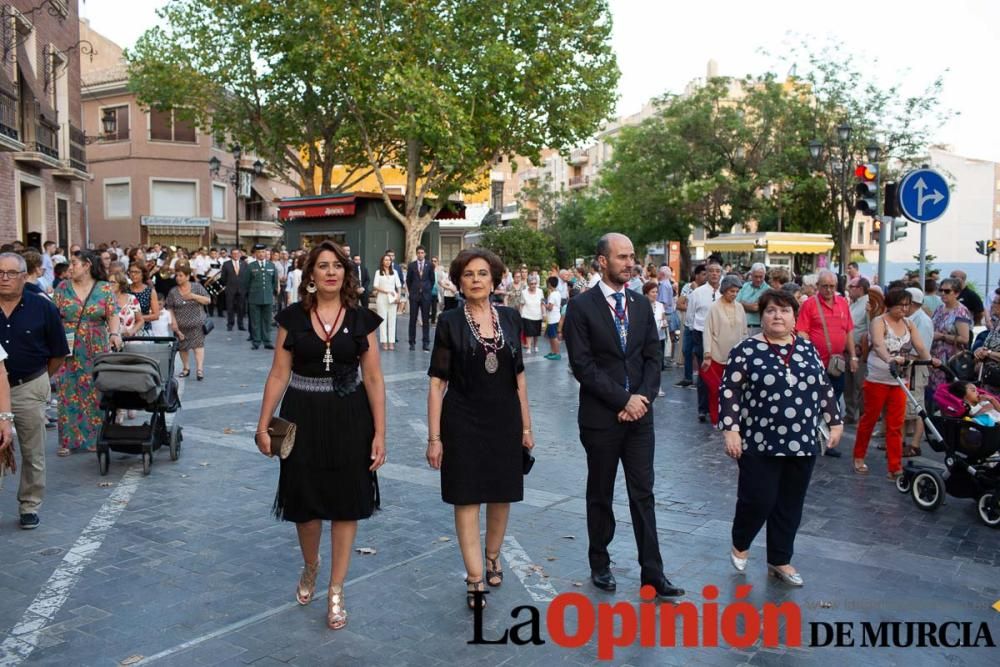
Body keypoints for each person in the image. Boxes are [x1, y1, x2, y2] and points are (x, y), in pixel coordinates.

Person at [254, 241, 385, 631]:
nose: (331, 272)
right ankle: (311, 565)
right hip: (302, 417)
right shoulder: (291, 319)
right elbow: (279, 374)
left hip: (350, 418)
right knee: (306, 506)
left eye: (337, 266)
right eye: (322, 266)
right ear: (310, 275)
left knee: (346, 504)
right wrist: (263, 424)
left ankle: (337, 588)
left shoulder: (363, 320)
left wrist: (381, 432)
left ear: (346, 273)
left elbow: (375, 378)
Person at [563, 233, 684, 601]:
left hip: (640, 418)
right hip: (601, 417)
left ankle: (653, 572)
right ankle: (600, 562)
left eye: (632, 256)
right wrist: (623, 399)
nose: (630, 263)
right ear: (602, 261)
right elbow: (583, 366)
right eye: (622, 257)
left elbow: (653, 356)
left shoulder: (640, 304)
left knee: (643, 493)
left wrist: (642, 399)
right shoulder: (581, 307)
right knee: (600, 491)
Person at [425, 247, 534, 610]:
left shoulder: (511, 318)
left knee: (501, 494)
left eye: (482, 273)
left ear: (494, 279)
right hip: (462, 421)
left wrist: (526, 427)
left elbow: (519, 377)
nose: (476, 280)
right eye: (468, 274)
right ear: (459, 281)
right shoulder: (450, 322)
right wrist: (435, 437)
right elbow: (437, 382)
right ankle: (474, 578)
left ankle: (492, 556)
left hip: (505, 420)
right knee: (467, 497)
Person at [721, 289, 844, 586]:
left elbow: (824, 386)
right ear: (761, 316)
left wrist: (835, 421)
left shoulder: (807, 348)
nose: (778, 316)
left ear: (794, 317)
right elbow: (729, 391)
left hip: (801, 440)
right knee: (758, 499)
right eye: (772, 310)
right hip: (758, 440)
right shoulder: (745, 350)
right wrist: (731, 429)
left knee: (790, 503)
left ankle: (780, 560)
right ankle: (741, 540)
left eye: (785, 310)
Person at [0, 253, 69, 529]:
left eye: (10, 273)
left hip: (29, 385)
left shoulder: (42, 307)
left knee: (33, 450)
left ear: (23, 275)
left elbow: (59, 353)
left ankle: (29, 504)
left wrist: (41, 380)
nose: (4, 278)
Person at [853, 289, 938, 479]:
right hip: (878, 379)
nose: (904, 309)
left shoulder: (909, 324)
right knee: (870, 419)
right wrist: (889, 358)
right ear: (891, 305)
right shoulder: (879, 321)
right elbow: (878, 344)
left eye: (907, 305)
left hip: (899, 381)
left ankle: (894, 466)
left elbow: (921, 346)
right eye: (901, 305)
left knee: (895, 424)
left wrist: (931, 360)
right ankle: (859, 456)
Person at [52, 251, 122, 456]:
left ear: (87, 265)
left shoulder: (104, 288)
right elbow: (53, 316)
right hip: (68, 345)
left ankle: (94, 438)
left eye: (74, 263)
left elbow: (113, 314)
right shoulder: (62, 288)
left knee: (94, 390)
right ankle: (67, 440)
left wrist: (115, 333)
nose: (70, 267)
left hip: (97, 345)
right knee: (67, 389)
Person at [795, 269, 857, 458]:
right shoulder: (810, 305)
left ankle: (827, 439)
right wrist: (807, 357)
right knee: (812, 401)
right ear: (818, 287)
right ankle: (809, 436)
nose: (829, 290)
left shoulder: (843, 303)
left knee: (834, 402)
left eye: (832, 286)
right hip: (816, 363)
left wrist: (853, 356)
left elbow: (848, 331)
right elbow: (802, 332)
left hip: (837, 363)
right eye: (825, 286)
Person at [701, 275, 748, 427]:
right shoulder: (714, 307)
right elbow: (707, 331)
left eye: (736, 291)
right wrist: (707, 354)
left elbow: (744, 331)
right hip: (716, 355)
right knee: (716, 390)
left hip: (735, 357)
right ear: (724, 290)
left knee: (734, 390)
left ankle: (732, 417)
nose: (734, 294)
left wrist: (745, 351)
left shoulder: (739, 307)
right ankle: (716, 418)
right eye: (731, 291)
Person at [686, 261, 722, 422]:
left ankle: (718, 406)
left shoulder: (724, 293)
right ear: (706, 273)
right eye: (711, 271)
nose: (714, 274)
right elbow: (690, 316)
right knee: (704, 371)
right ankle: (703, 408)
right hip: (700, 334)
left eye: (717, 271)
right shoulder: (698, 293)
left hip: (720, 336)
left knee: (720, 371)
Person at [165, 264, 212, 380]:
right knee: (183, 348)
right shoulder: (173, 291)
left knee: (198, 346)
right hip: (180, 325)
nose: (178, 278)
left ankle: (199, 369)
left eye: (181, 275)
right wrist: (173, 323)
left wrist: (193, 296)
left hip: (197, 323)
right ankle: (186, 368)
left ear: (187, 276)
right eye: (177, 275)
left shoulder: (197, 287)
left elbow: (208, 300)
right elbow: (169, 307)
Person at [904, 287, 935, 456]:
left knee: (918, 407)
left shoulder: (921, 320)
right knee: (906, 406)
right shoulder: (911, 318)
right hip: (910, 367)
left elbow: (920, 349)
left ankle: (915, 444)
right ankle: (902, 442)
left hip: (916, 367)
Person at [929, 278, 973, 389]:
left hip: (950, 359)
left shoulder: (961, 312)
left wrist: (942, 336)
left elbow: (964, 338)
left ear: (957, 293)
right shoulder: (939, 308)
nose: (943, 293)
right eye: (941, 290)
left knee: (946, 391)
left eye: (947, 291)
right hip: (935, 357)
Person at [844, 277, 871, 424]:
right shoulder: (853, 304)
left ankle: (863, 416)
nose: (849, 289)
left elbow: (870, 328)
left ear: (860, 288)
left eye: (851, 286)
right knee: (848, 385)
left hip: (860, 350)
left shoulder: (868, 304)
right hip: (848, 349)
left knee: (860, 385)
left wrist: (862, 346)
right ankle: (850, 414)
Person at [675, 264, 707, 387]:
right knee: (686, 350)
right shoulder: (688, 287)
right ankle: (688, 378)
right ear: (697, 275)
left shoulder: (709, 290)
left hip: (702, 325)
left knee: (700, 352)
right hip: (689, 324)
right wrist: (693, 309)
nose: (706, 277)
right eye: (703, 274)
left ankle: (701, 379)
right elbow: (679, 304)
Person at [248, 244, 279, 350]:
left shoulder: (271, 265)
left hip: (268, 297)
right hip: (254, 297)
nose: (261, 254)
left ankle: (267, 341)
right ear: (255, 254)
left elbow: (274, 282)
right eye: (259, 252)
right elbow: (246, 283)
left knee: (267, 320)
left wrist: (274, 294)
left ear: (266, 253)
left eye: (263, 252)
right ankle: (256, 341)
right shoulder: (251, 266)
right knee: (255, 320)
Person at [406, 245, 434, 351]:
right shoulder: (412, 265)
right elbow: (408, 280)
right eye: (419, 253)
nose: (420, 254)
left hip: (426, 296)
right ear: (416, 254)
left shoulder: (430, 265)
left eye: (422, 252)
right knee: (412, 319)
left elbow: (432, 280)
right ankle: (412, 342)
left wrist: (427, 289)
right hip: (414, 296)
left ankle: (425, 342)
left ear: (424, 254)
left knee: (426, 320)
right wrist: (413, 290)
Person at [373, 254, 402, 351]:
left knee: (392, 320)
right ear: (382, 261)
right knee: (383, 320)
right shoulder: (378, 272)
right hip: (382, 298)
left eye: (389, 260)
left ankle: (391, 342)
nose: (388, 262)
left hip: (392, 298)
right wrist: (386, 291)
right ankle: (384, 342)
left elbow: (398, 285)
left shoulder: (395, 272)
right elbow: (375, 286)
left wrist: (398, 296)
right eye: (386, 260)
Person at [643, 281, 667, 395]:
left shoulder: (660, 305)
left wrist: (664, 323)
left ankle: (658, 386)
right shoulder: (641, 305)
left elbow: (663, 319)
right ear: (646, 293)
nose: (655, 294)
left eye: (656, 292)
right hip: (645, 339)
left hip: (659, 337)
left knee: (658, 363)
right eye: (652, 292)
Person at [127, 262, 160, 333]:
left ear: (143, 274)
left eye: (136, 272)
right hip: (126, 328)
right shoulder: (125, 290)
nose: (133, 274)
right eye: (131, 272)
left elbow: (156, 315)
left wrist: (138, 318)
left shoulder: (150, 291)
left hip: (144, 329)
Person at [220, 248, 249, 332]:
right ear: (231, 255)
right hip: (230, 289)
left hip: (242, 289)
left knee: (241, 308)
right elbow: (223, 278)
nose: (236, 255)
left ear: (240, 254)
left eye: (237, 253)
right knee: (230, 308)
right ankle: (230, 324)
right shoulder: (226, 264)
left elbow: (247, 277)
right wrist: (229, 284)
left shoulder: (245, 264)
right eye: (234, 254)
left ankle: (240, 325)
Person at [736, 263, 768, 333]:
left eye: (761, 277)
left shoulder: (768, 290)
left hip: (759, 328)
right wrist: (748, 306)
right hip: (742, 327)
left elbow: (756, 308)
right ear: (751, 275)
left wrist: (743, 304)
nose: (758, 279)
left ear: (764, 275)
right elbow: (735, 304)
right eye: (756, 276)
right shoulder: (745, 286)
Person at [519, 275, 543, 353]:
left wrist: (544, 313)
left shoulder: (540, 291)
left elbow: (542, 303)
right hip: (527, 315)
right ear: (528, 284)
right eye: (532, 284)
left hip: (538, 315)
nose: (533, 285)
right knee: (528, 332)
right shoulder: (524, 292)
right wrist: (520, 315)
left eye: (535, 283)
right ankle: (529, 348)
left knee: (536, 333)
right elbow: (521, 304)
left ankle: (535, 346)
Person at [544, 275, 563, 360]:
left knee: (553, 337)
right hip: (556, 317)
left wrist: (544, 304)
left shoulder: (552, 295)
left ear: (550, 284)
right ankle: (553, 352)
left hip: (553, 318)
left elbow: (550, 307)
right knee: (551, 337)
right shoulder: (558, 293)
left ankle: (557, 353)